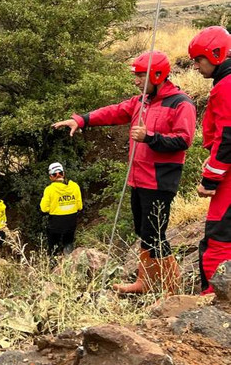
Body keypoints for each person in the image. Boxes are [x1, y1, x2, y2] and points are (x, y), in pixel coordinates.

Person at [53, 51, 196, 294]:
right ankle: (145, 282)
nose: (136, 81)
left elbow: (184, 140)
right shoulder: (141, 101)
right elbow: (114, 111)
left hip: (159, 181)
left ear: (158, 75)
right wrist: (82, 120)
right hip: (138, 179)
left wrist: (150, 137)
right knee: (144, 232)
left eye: (141, 76)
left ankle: (172, 289)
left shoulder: (181, 103)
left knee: (155, 235)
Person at [190, 26, 231, 293]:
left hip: (228, 179)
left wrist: (210, 179)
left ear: (216, 55)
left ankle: (212, 301)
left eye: (199, 59)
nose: (195, 66)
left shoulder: (226, 86)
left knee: (217, 241)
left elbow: (227, 136)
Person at [40, 162, 83, 257]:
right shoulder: (75, 186)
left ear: (51, 177)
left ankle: (52, 264)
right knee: (68, 242)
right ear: (63, 174)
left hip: (56, 222)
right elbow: (79, 206)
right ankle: (69, 261)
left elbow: (44, 208)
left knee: (53, 246)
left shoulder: (49, 189)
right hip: (71, 221)